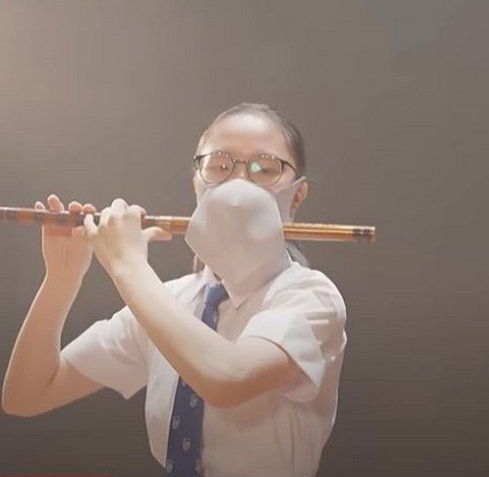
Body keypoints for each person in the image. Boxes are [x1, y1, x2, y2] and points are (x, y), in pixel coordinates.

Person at [2, 103, 347, 477]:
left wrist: (129, 268)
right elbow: (27, 395)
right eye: (220, 165)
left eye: (265, 169)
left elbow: (229, 379)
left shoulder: (311, 297)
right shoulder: (168, 301)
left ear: (297, 195)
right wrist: (61, 279)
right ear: (196, 181)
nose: (238, 185)